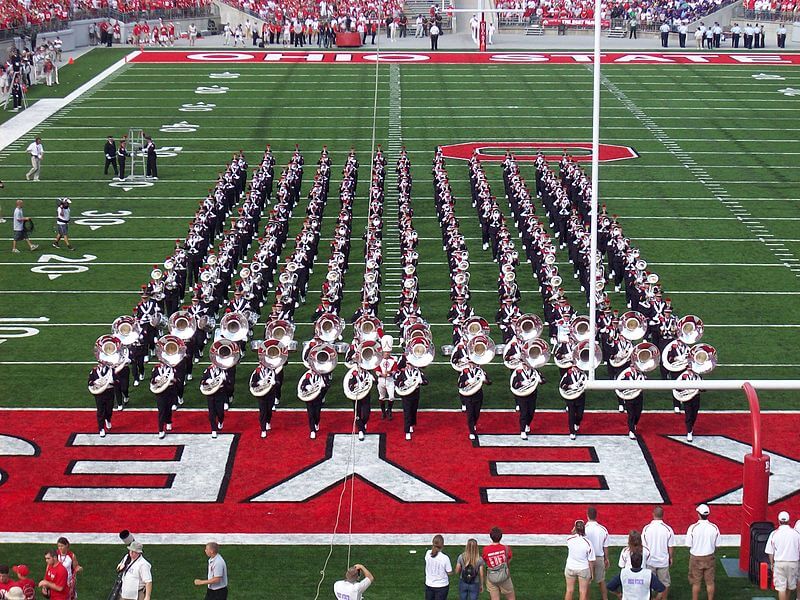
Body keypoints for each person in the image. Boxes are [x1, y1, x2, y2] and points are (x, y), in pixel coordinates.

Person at [686, 504, 719, 600]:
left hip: (696, 557)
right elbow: (717, 545)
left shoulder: (693, 528)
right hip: (709, 557)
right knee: (710, 582)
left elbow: (688, 544)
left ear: (698, 514)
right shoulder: (714, 528)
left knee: (696, 583)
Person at [765, 511, 800, 600]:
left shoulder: (774, 534)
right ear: (789, 521)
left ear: (779, 521)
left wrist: (772, 564)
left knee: (781, 588)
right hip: (793, 562)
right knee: (789, 586)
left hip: (780, 563)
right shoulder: (796, 534)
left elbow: (770, 551)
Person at [642, 506, 675, 599]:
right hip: (663, 561)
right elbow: (670, 546)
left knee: (648, 584)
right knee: (665, 583)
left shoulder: (646, 529)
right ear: (662, 515)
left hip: (650, 561)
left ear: (653, 514)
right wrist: (671, 557)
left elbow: (643, 546)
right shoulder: (668, 529)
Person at [565, 520, 595, 600]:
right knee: (583, 592)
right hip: (583, 569)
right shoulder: (588, 543)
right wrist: (592, 573)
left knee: (569, 590)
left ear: (575, 528)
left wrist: (573, 530)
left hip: (570, 567)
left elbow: (571, 535)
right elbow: (591, 561)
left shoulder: (569, 539)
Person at [482, 527, 514, 600]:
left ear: (491, 537)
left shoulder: (486, 549)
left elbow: (485, 561)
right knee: (511, 598)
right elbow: (509, 559)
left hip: (492, 577)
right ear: (501, 536)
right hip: (504, 576)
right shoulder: (506, 548)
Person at [585, 507, 609, 600]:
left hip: (587, 559)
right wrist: (606, 559)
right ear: (596, 516)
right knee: (601, 581)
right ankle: (605, 598)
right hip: (599, 557)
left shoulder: (585, 529)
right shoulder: (603, 529)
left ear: (587, 515)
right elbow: (605, 546)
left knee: (586, 581)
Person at [425, 534, 452, 600]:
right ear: (442, 545)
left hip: (429, 584)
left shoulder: (428, 553)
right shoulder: (445, 558)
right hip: (442, 586)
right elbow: (449, 572)